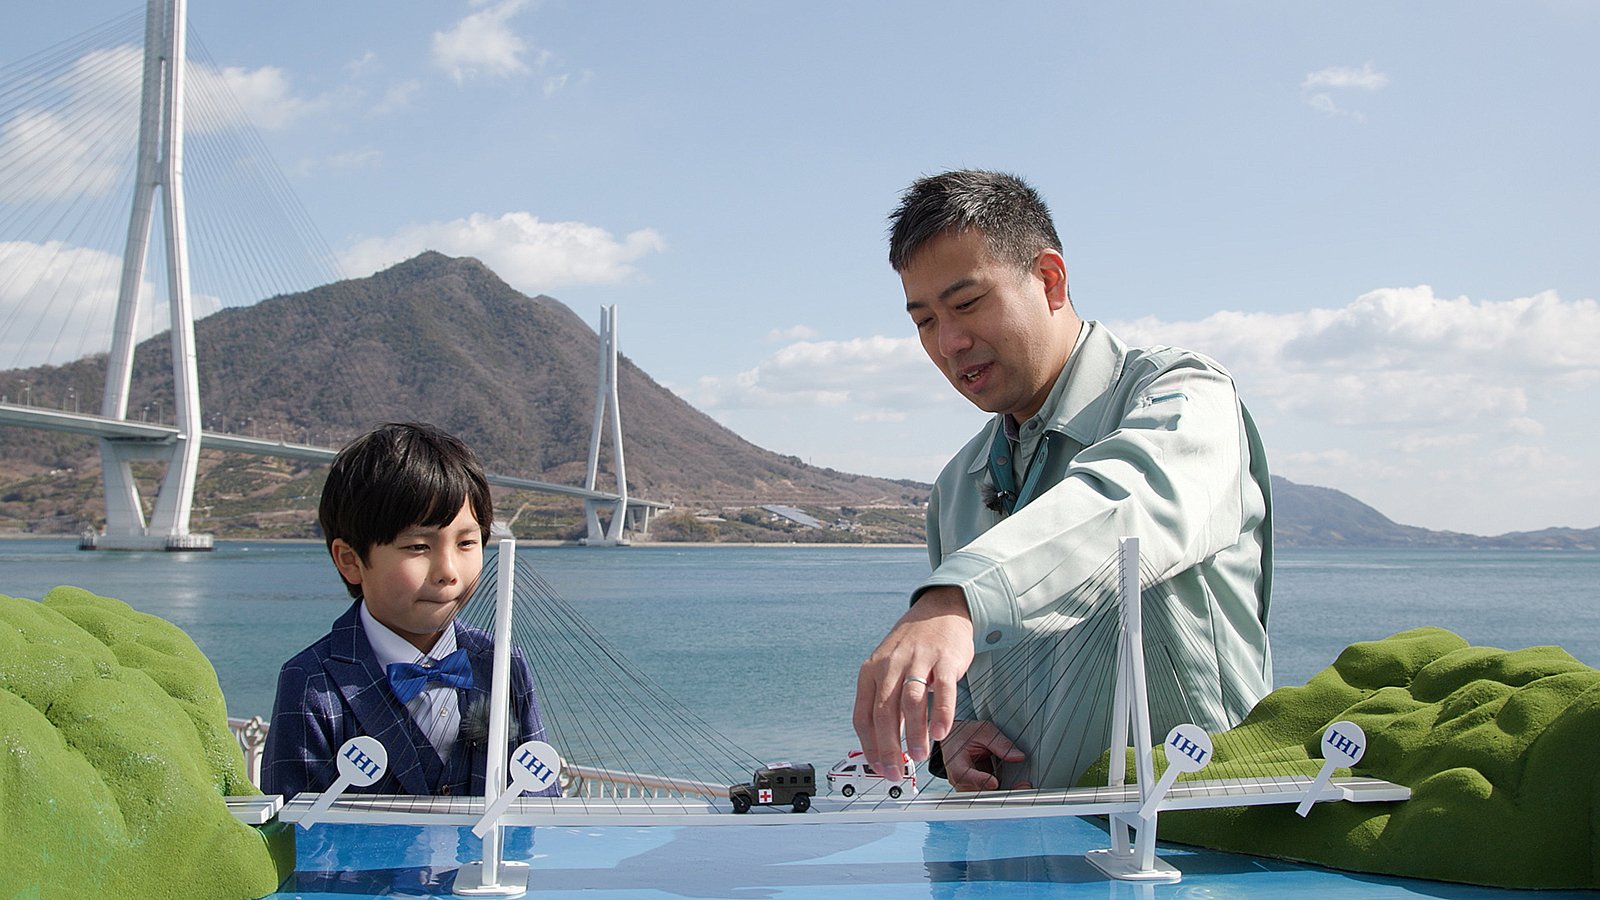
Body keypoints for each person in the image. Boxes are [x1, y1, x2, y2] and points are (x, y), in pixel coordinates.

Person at [853, 170, 1273, 791]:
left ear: (1050, 280)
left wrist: (958, 598)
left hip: (1192, 851)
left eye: (967, 304)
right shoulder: (957, 487)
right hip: (1013, 860)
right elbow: (972, 682)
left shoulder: (1185, 395)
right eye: (924, 321)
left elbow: (1128, 504)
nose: (950, 342)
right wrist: (959, 732)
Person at [262, 422, 559, 799]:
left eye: (467, 542)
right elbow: (296, 841)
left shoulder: (502, 663)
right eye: (419, 547)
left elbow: (539, 805)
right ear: (351, 560)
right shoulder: (311, 684)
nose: (449, 572)